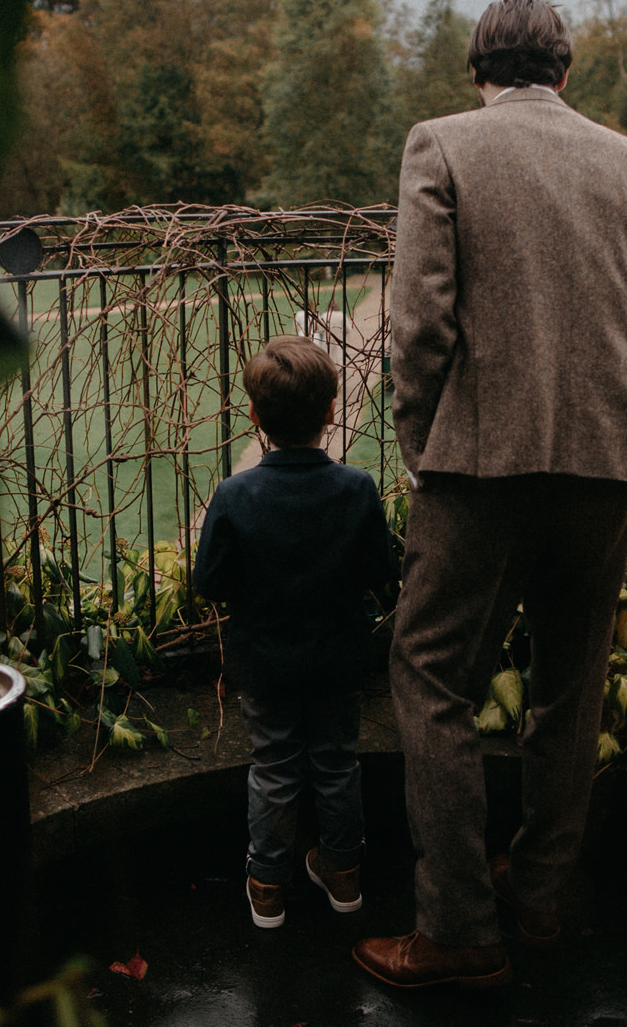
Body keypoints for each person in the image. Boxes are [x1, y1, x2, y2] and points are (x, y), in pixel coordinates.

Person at [353, 0, 627, 989]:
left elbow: (417, 323)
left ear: (478, 71)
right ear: (565, 72)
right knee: (569, 686)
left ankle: (457, 929)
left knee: (428, 676)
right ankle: (538, 898)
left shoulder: (441, 144)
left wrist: (419, 443)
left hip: (478, 466)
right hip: (603, 466)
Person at [194, 334, 400, 929]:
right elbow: (382, 574)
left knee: (275, 768)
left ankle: (267, 885)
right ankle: (343, 873)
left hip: (264, 662)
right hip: (338, 657)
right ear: (331, 412)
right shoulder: (356, 488)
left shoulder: (236, 495)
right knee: (337, 764)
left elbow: (209, 582)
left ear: (255, 416)